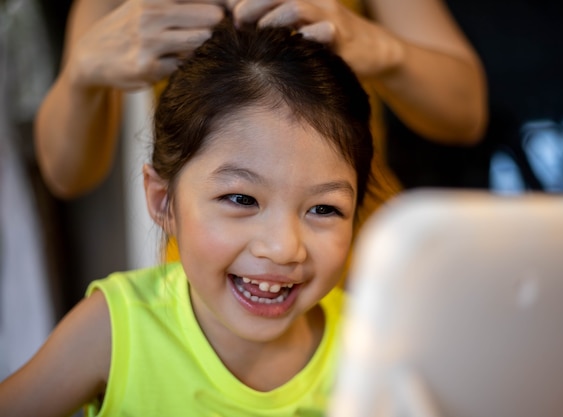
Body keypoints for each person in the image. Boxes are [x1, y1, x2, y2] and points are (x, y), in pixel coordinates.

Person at [0, 19, 375, 416]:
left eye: (323, 209)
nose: (283, 248)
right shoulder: (116, 328)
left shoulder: (372, 343)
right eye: (241, 199)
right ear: (164, 201)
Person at [35, 0, 487, 200]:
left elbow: (466, 114)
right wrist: (82, 73)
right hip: (217, 269)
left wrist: (379, 47)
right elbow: (67, 174)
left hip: (363, 258)